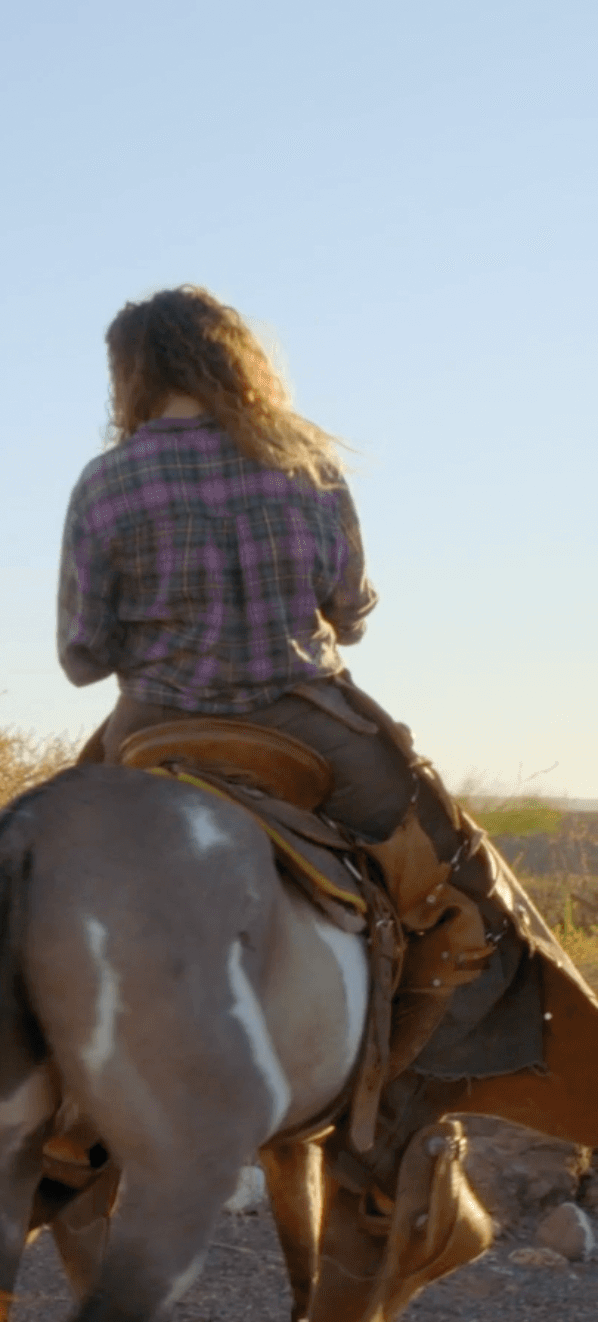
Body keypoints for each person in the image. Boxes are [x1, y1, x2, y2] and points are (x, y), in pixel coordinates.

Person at [59, 285, 593, 1089]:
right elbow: (349, 613)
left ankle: (44, 1134)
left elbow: (81, 656)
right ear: (234, 360)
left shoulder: (106, 482)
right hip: (305, 720)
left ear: (130, 373)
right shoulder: (305, 463)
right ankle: (464, 1085)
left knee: (28, 882)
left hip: (153, 725)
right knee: (459, 882)